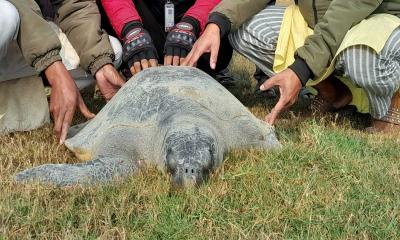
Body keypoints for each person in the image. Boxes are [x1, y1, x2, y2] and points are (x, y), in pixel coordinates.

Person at [183, 0, 400, 132]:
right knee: (245, 31)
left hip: (376, 19)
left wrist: (302, 68)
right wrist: (218, 22)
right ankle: (333, 93)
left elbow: (347, 9)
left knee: (362, 59)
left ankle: (390, 108)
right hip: (316, 22)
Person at [1, 0, 125, 144]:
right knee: (6, 16)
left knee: (112, 52)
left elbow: (75, 6)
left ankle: (37, 93)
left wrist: (99, 61)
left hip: (23, 32)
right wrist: (52, 65)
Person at [100, 0, 233, 80]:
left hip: (194, 18)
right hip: (146, 19)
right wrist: (131, 29)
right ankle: (136, 69)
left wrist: (191, 24)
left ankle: (206, 72)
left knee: (213, 53)